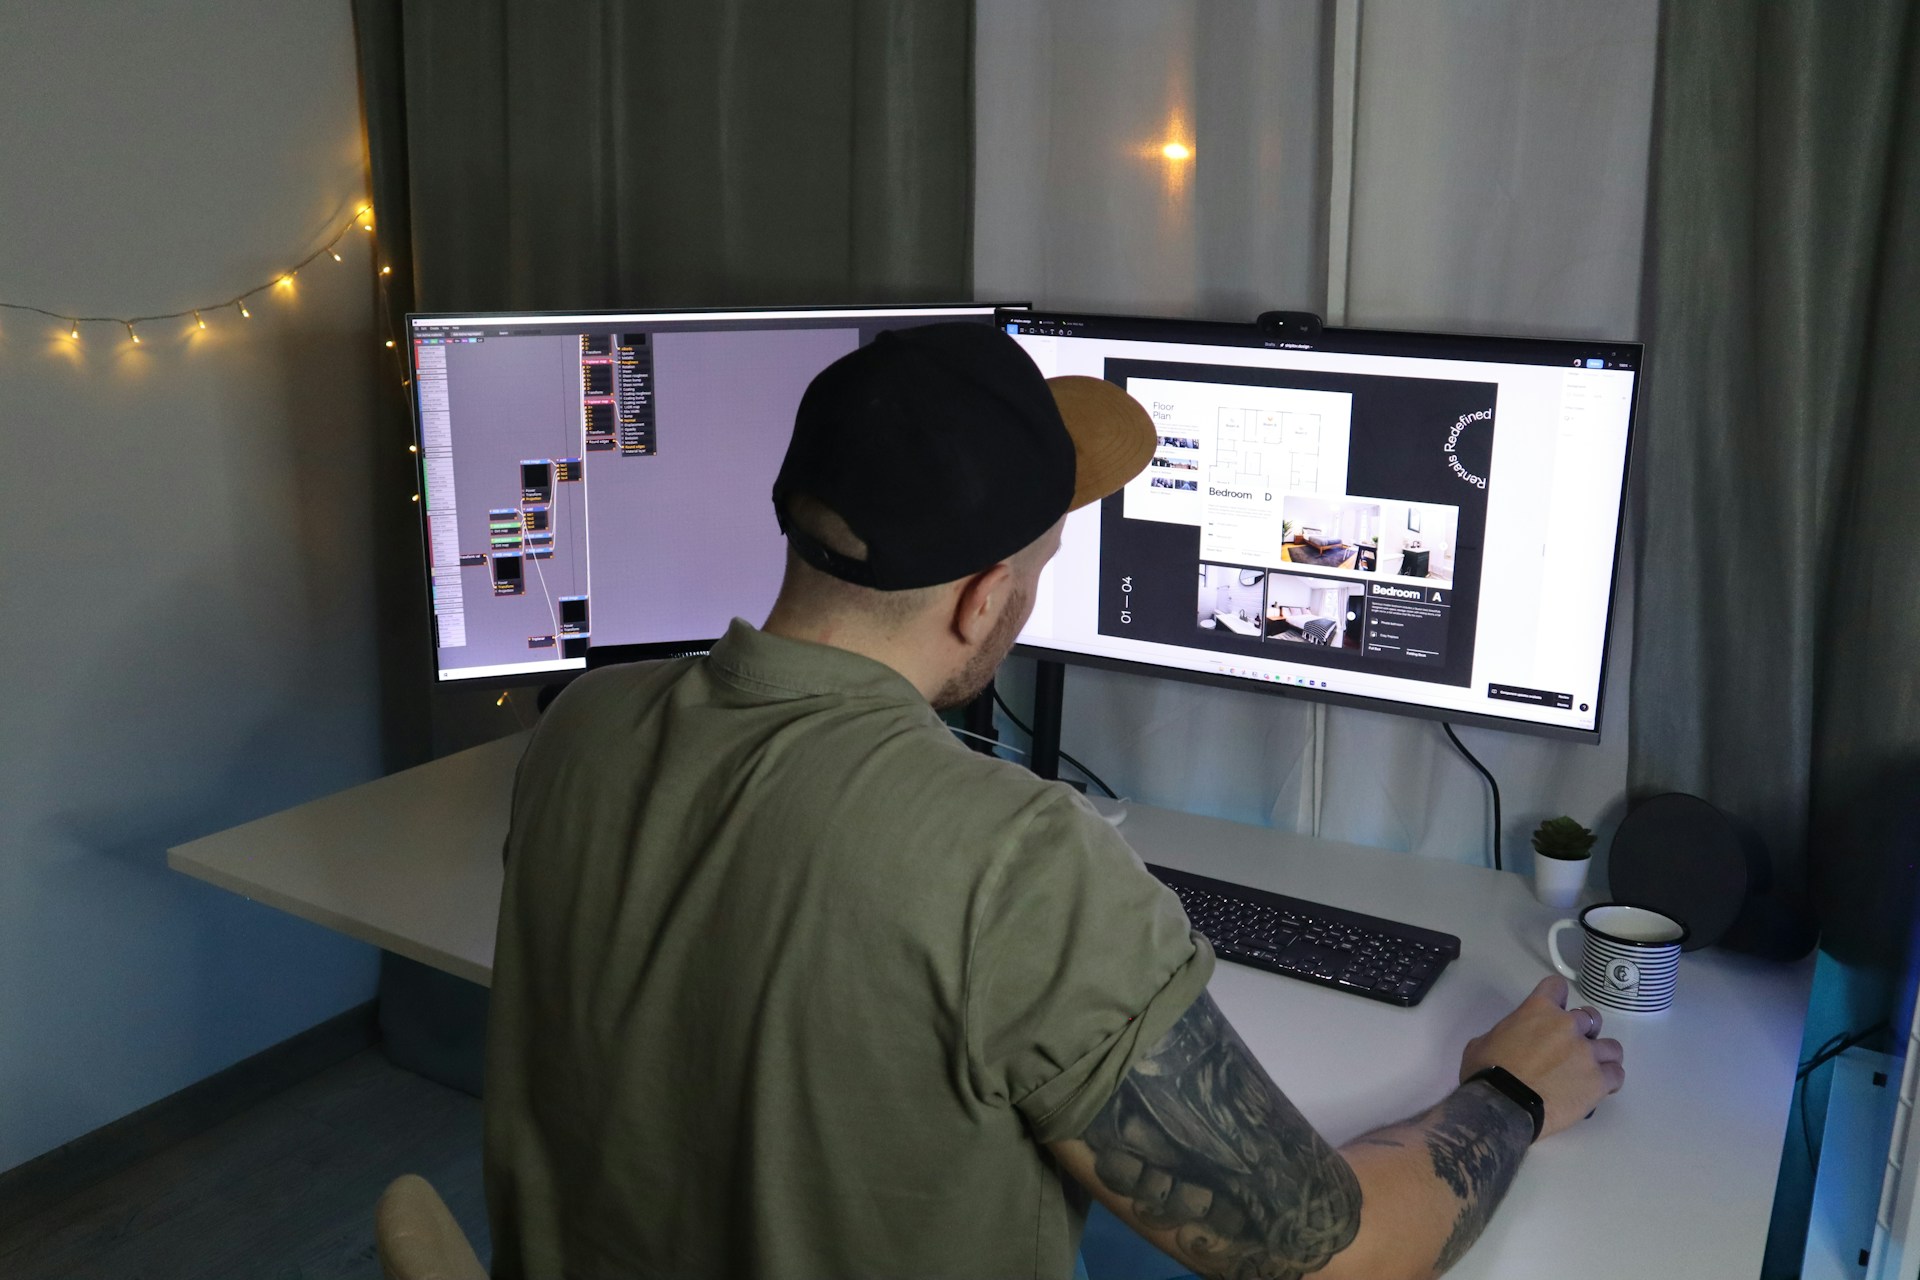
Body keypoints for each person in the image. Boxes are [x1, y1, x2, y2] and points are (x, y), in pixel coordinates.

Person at [483, 323, 1626, 1279]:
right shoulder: (1016, 859)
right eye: (1043, 563)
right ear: (986, 602)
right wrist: (1510, 1092)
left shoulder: (580, 724)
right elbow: (1336, 1257)